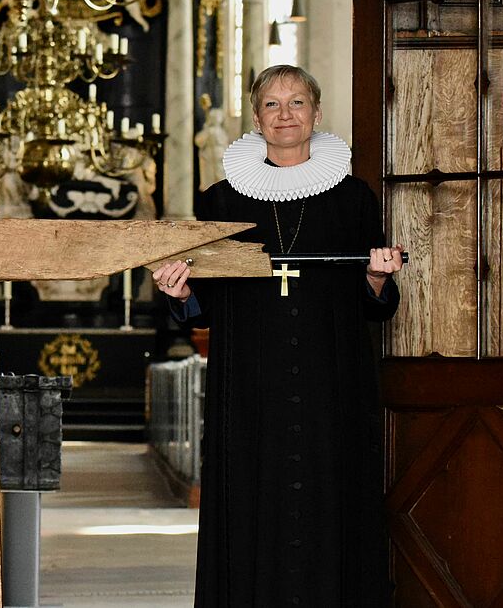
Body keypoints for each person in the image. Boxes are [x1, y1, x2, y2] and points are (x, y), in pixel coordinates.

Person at [153, 64, 404, 606]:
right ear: (256, 116)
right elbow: (206, 305)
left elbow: (375, 304)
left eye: (296, 103)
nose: (285, 114)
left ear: (316, 112)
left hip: (331, 381)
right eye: (272, 104)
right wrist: (180, 293)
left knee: (330, 495)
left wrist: (377, 276)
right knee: (253, 496)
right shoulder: (221, 201)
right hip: (251, 380)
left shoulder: (354, 198)